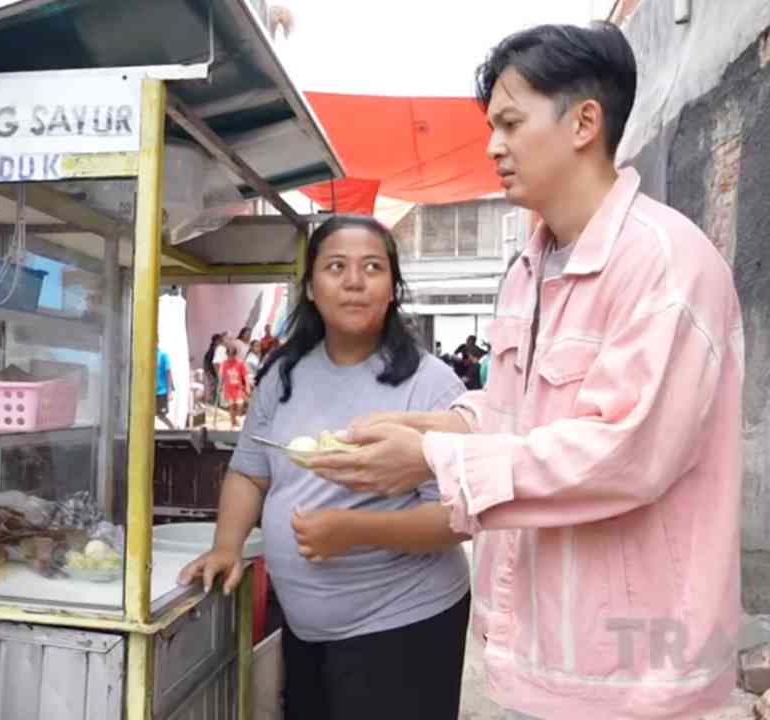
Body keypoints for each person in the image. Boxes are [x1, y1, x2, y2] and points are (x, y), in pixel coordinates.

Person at [310, 23, 743, 720]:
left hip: (636, 678)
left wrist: (430, 456)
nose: (491, 146)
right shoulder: (528, 269)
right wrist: (429, 425)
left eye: (510, 122)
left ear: (584, 122)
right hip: (535, 653)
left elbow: (624, 453)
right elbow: (519, 418)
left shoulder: (664, 265)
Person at [178, 215, 471, 718]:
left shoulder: (431, 386)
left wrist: (354, 530)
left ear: (392, 287)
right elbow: (250, 470)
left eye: (372, 267)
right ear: (311, 286)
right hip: (305, 626)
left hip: (403, 622)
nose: (354, 281)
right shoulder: (283, 375)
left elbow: (454, 519)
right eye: (336, 266)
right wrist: (226, 547)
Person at [218, 340, 250, 429]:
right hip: (228, 388)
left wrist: (247, 386)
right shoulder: (224, 364)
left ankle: (237, 418)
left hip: (238, 388)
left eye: (232, 355)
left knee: (240, 404)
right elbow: (222, 376)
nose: (230, 357)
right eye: (229, 355)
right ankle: (232, 422)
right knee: (231, 405)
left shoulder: (240, 363)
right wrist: (220, 386)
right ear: (227, 355)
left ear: (235, 355)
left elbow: (245, 376)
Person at [156, 345, 176, 430]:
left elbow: (168, 372)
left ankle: (174, 429)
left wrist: (170, 391)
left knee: (161, 415)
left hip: (161, 391)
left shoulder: (163, 355)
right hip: (150, 392)